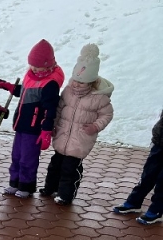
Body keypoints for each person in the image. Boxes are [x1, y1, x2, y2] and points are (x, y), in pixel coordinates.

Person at [40, 44, 114, 205]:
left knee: (70, 169)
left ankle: (65, 194)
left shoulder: (99, 98)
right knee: (55, 165)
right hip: (63, 135)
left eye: (81, 83)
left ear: (91, 82)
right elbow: (59, 108)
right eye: (75, 80)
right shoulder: (68, 91)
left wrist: (95, 126)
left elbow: (107, 114)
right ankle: (50, 188)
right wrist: (53, 124)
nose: (76, 85)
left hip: (80, 139)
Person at [0, 39, 65, 198]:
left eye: (37, 66)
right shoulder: (30, 75)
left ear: (47, 65)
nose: (33, 68)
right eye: (32, 64)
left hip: (34, 129)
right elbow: (25, 92)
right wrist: (10, 87)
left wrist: (46, 129)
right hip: (21, 124)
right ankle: (15, 183)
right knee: (17, 156)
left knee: (28, 159)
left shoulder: (50, 84)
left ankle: (26, 186)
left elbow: (50, 108)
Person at [112, 108, 163, 224]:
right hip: (159, 142)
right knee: (148, 175)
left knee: (162, 181)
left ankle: (156, 211)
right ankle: (134, 202)